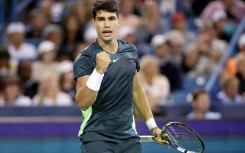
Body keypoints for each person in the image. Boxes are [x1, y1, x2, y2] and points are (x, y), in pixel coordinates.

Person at [73, 1, 163, 152]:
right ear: (94, 23)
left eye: (111, 18)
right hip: (97, 137)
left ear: (118, 21)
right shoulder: (85, 58)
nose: (106, 24)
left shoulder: (130, 51)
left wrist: (152, 126)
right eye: (101, 19)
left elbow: (136, 91)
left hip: (128, 137)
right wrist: (98, 71)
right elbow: (83, 102)